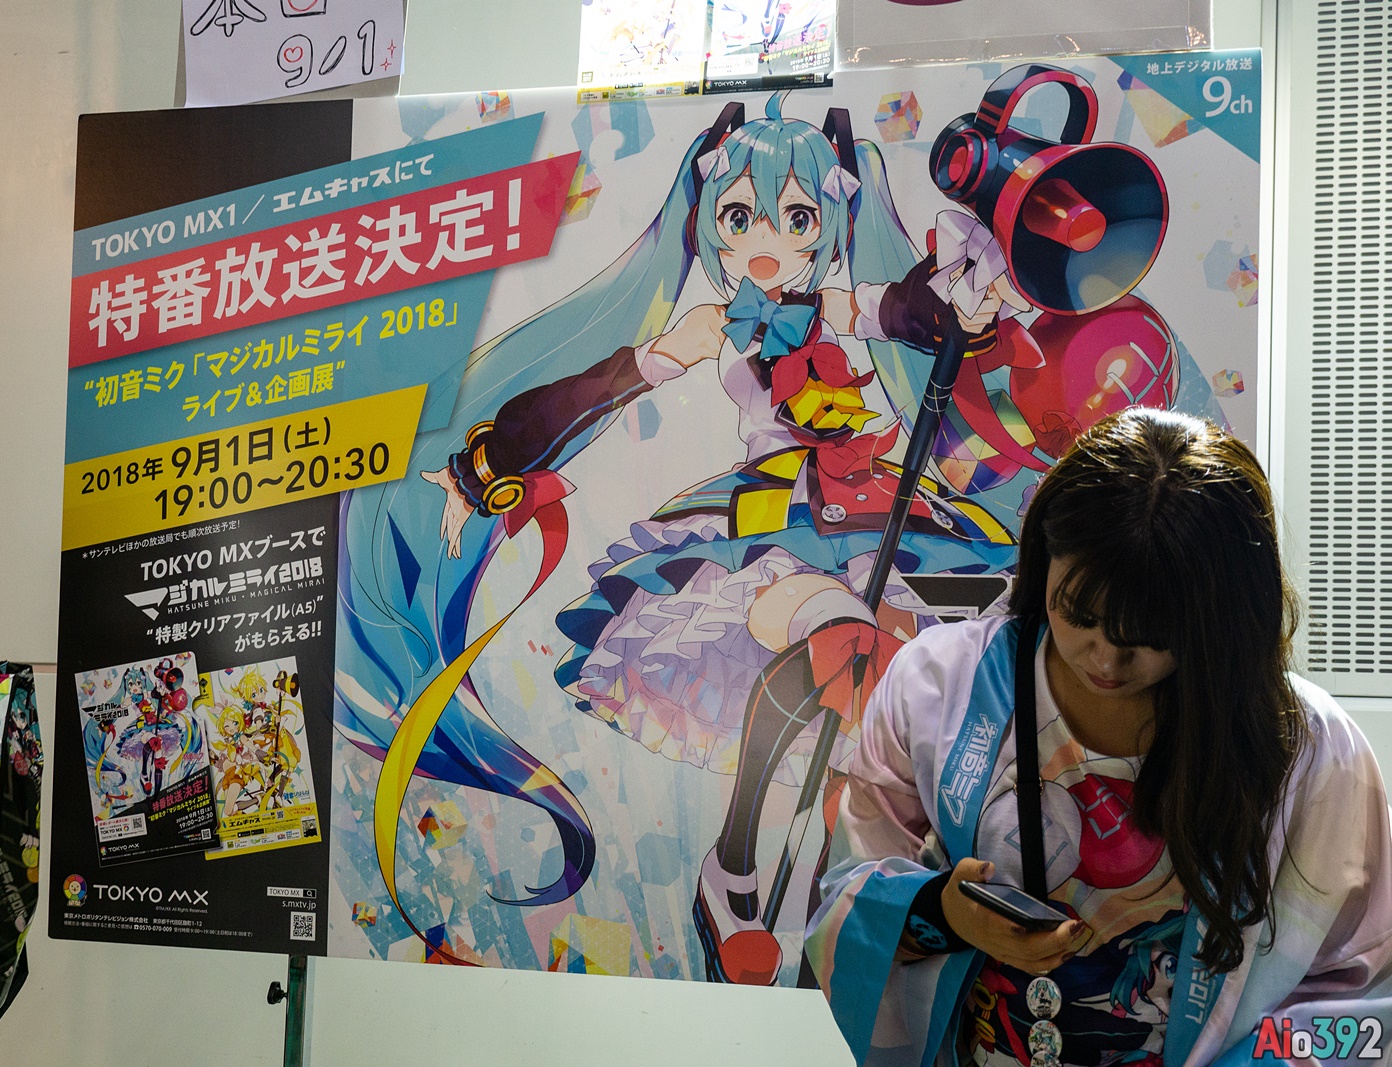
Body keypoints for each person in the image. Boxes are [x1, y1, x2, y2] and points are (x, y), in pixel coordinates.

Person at [339, 92, 1043, 977]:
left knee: (879, 683)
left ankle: (824, 879)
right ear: (708, 221)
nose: (767, 240)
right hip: (776, 523)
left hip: (877, 515)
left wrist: (962, 304)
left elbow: (906, 312)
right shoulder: (717, 325)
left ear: (828, 221)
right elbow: (597, 389)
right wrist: (491, 465)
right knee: (830, 630)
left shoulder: (835, 304)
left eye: (797, 217)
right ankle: (737, 863)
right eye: (741, 216)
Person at [805, 407, 1392, 1065]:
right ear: (1044, 556)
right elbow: (847, 899)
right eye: (1078, 614)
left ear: (1222, 617)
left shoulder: (1309, 753)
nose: (1106, 660)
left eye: (1150, 635)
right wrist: (945, 914)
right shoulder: (939, 686)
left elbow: (1363, 997)